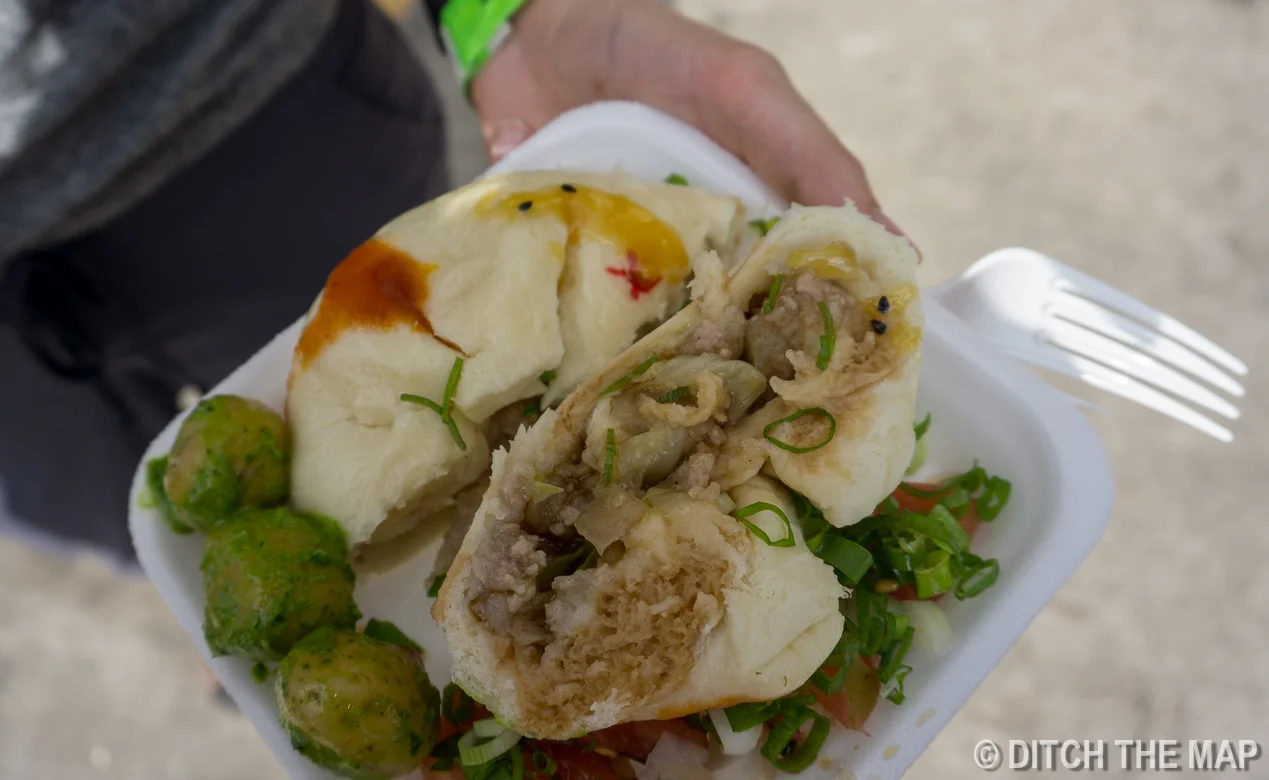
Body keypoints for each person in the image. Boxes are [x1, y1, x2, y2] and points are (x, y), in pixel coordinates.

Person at [0, 0, 900, 563]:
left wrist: (503, 8)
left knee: (372, 452)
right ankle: (218, 622)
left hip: (246, 108)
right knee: (114, 512)